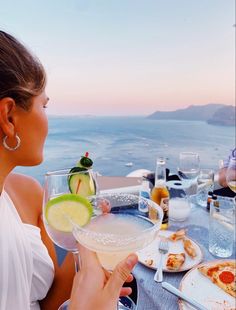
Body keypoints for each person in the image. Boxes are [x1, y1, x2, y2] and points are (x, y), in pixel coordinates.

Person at [0, 30, 137, 310]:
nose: (47, 119)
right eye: (44, 105)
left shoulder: (26, 193)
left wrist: (85, 250)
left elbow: (50, 302)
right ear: (9, 116)